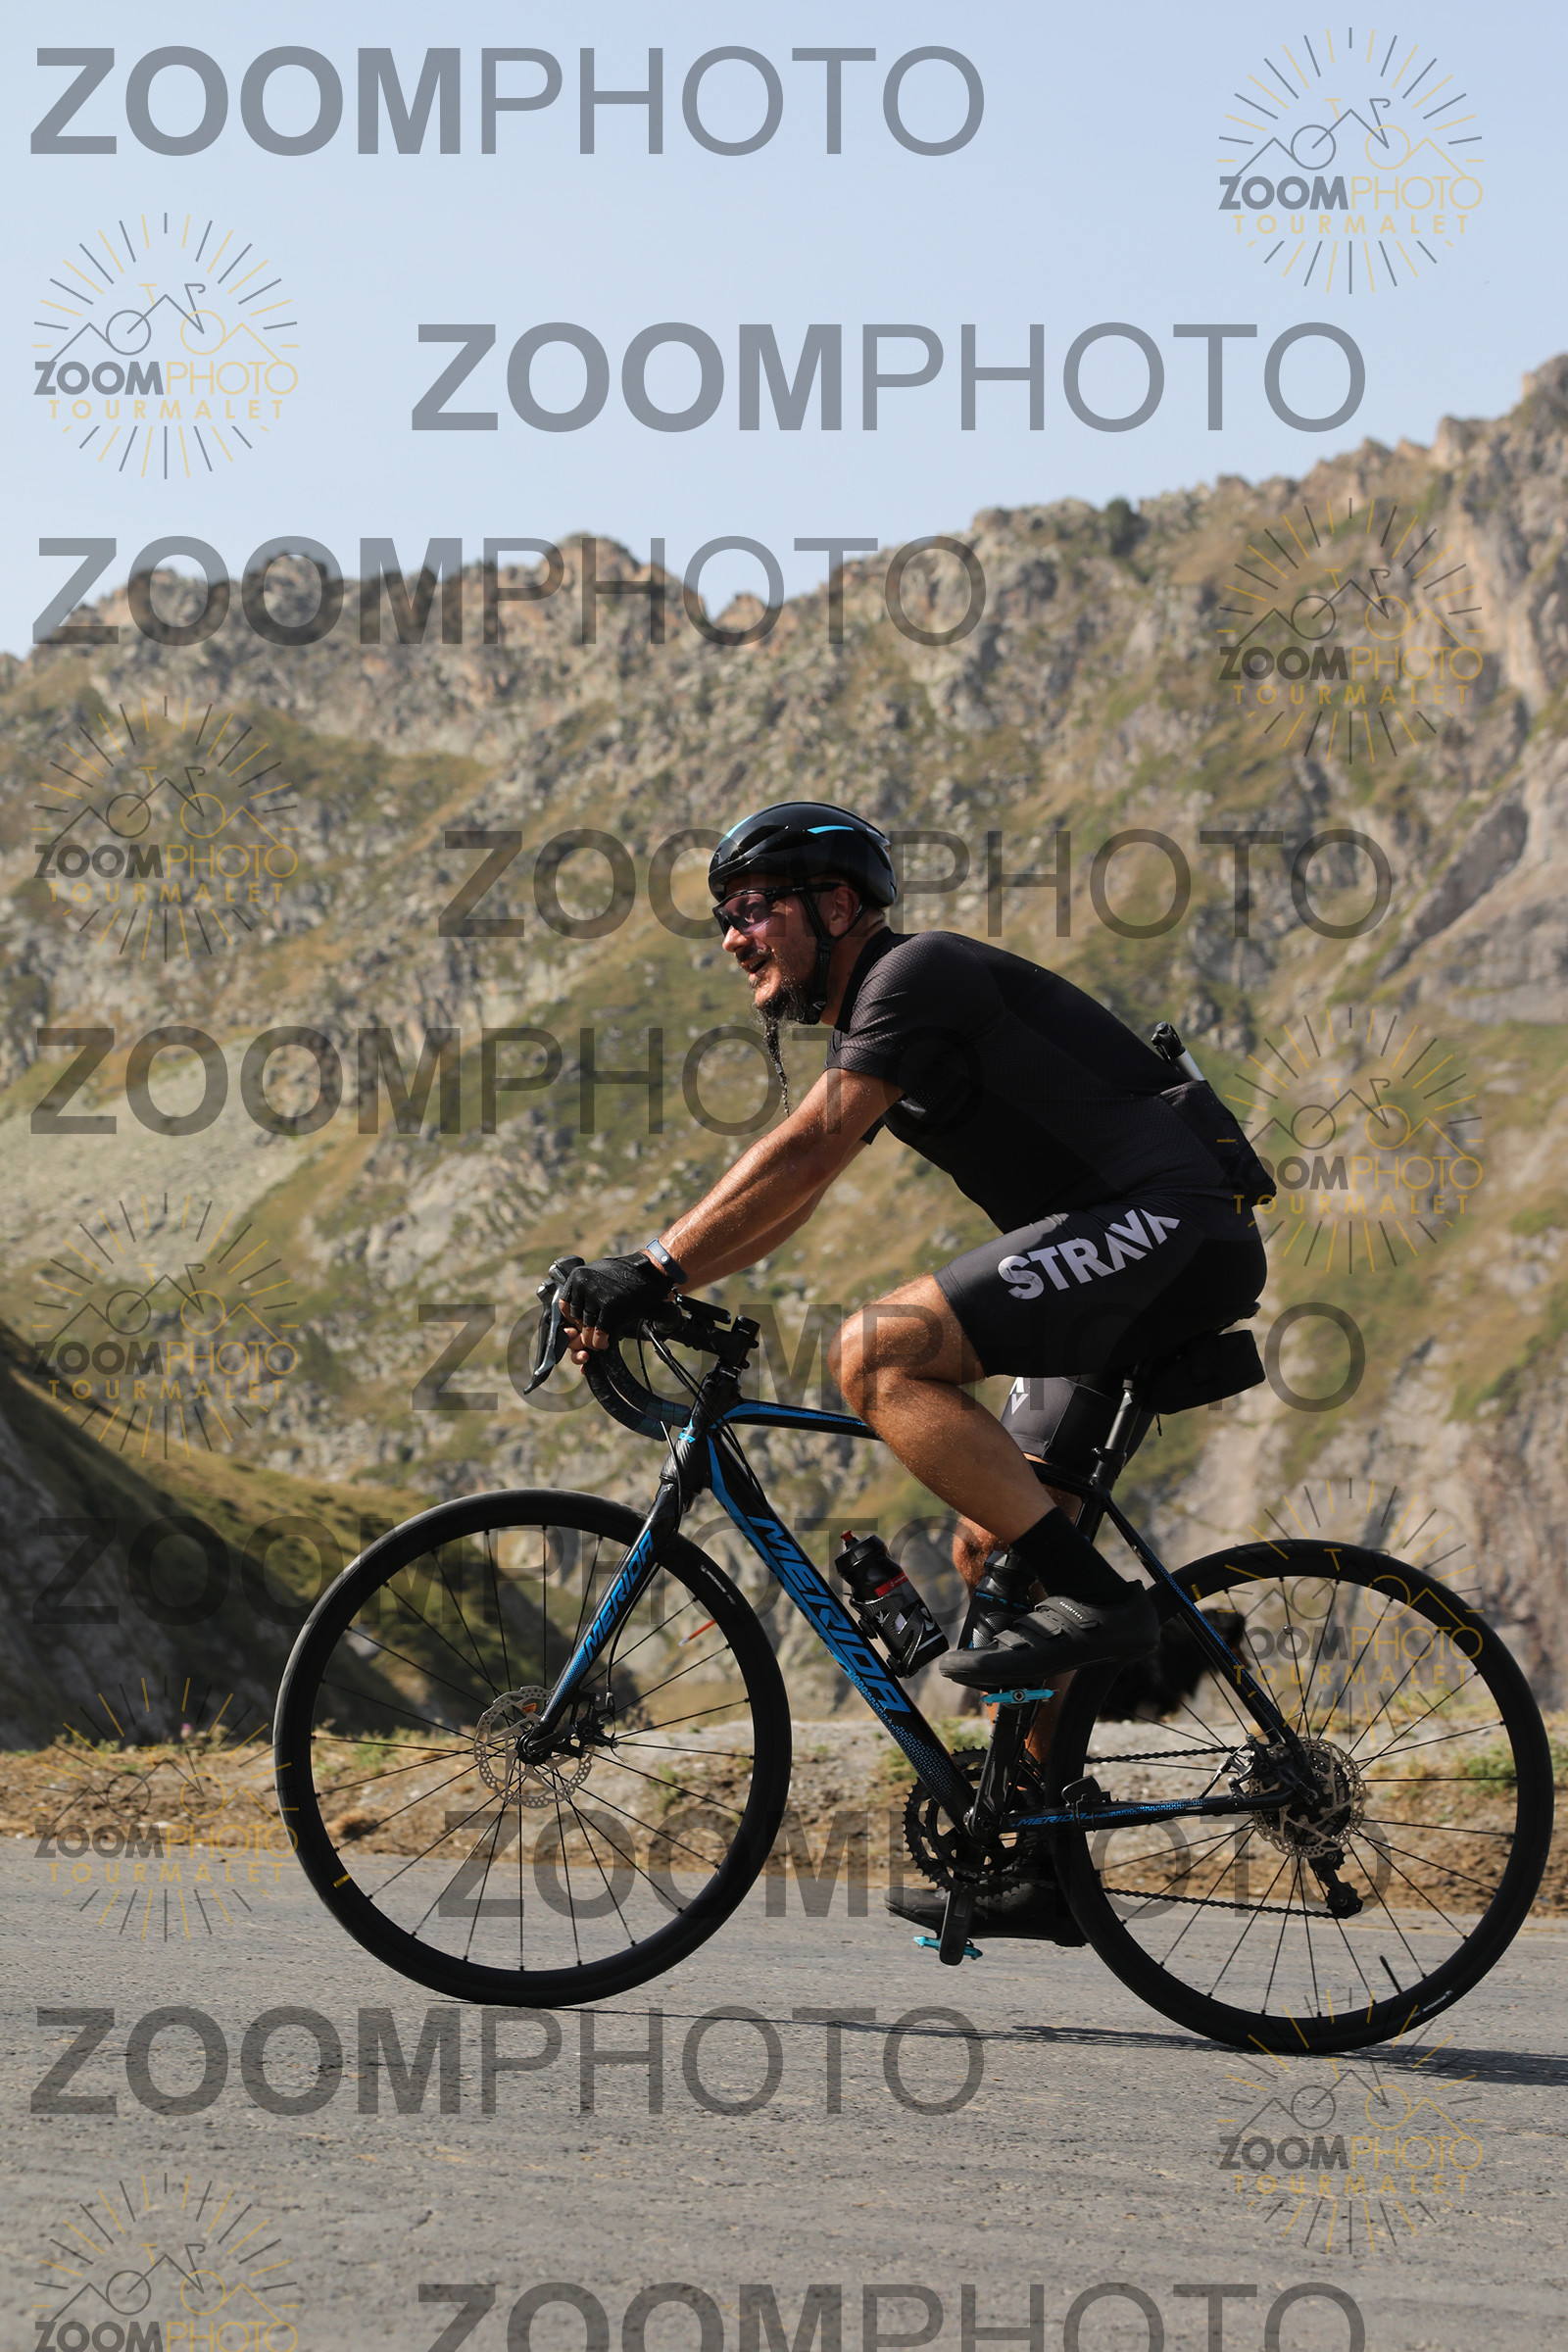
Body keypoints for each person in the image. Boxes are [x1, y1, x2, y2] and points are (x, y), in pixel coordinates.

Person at [559, 800, 1267, 1942]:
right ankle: (1045, 1857)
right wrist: (665, 1284)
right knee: (997, 1542)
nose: (733, 937)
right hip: (1134, 1243)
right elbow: (798, 1189)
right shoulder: (885, 1015)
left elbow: (808, 1147)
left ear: (836, 906)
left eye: (753, 908)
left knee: (874, 1351)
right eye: (724, 917)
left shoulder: (913, 975)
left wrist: (650, 1267)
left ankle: (1106, 1608)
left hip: (1167, 1223)